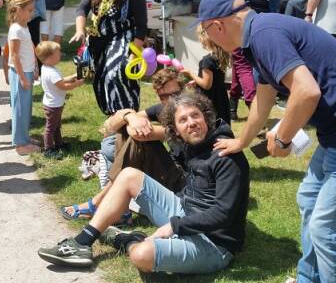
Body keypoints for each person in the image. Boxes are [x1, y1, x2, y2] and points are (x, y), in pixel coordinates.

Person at [199, 0, 336, 283]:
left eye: (208, 33)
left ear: (217, 26)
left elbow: (306, 91)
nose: (212, 42)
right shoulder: (258, 35)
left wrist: (282, 137)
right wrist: (242, 142)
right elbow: (264, 97)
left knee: (327, 231)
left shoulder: (263, 34)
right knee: (308, 198)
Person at [38, 92, 249, 274]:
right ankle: (81, 243)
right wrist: (130, 116)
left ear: (207, 118)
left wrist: (174, 226)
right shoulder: (190, 144)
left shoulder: (226, 156)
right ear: (175, 130)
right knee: (130, 175)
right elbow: (114, 127)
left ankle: (127, 240)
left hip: (214, 244)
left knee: (141, 255)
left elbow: (224, 213)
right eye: (183, 120)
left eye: (195, 115)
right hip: (187, 212)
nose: (191, 122)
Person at [61, 68, 186, 220]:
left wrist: (129, 120)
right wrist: (130, 116)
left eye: (175, 94)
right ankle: (119, 208)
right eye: (164, 96)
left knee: (133, 139)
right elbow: (109, 125)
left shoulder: (192, 116)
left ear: (184, 90)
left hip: (182, 181)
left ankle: (99, 203)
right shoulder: (162, 109)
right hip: (168, 169)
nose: (170, 100)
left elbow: (138, 133)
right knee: (119, 137)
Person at [71, 0, 147, 115]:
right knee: (100, 78)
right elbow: (82, 9)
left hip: (124, 37)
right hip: (100, 39)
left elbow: (141, 26)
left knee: (116, 73)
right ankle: (112, 114)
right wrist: (79, 30)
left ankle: (127, 114)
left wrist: (134, 54)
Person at [35, 41, 84, 159]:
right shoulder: (51, 72)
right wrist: (76, 84)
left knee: (56, 126)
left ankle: (58, 144)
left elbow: (60, 80)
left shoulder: (48, 68)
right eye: (58, 53)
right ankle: (48, 149)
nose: (60, 54)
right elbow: (62, 86)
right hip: (53, 105)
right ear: (51, 58)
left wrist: (72, 77)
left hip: (54, 103)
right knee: (51, 128)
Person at [6, 0, 40, 155]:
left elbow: (30, 47)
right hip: (20, 73)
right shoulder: (16, 29)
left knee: (26, 108)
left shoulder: (24, 26)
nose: (32, 13)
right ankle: (20, 144)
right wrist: (21, 77)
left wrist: (35, 66)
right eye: (29, 10)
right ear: (18, 10)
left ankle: (24, 137)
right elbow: (14, 56)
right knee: (19, 108)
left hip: (26, 70)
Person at [182, 26, 231, 124]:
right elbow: (213, 80)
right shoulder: (220, 57)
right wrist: (196, 81)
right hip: (221, 98)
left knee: (211, 125)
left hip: (210, 101)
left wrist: (190, 73)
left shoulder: (207, 60)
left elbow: (206, 85)